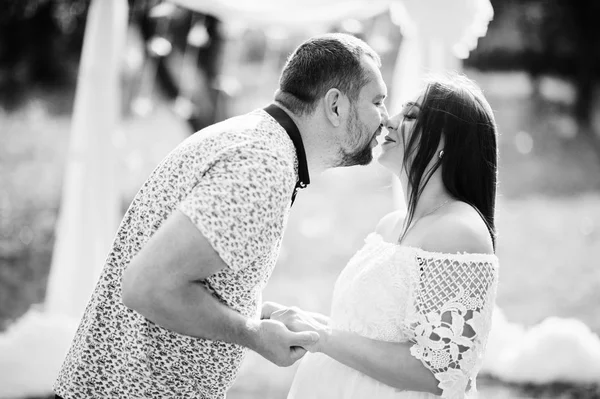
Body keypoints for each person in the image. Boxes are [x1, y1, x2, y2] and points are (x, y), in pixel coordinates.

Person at [53, 33, 388, 399]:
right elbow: (146, 286)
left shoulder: (253, 140)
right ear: (336, 106)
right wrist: (252, 335)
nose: (385, 118)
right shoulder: (263, 167)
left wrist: (250, 309)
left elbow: (182, 274)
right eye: (377, 101)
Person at [263, 73, 500, 398]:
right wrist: (304, 322)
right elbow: (363, 333)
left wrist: (321, 335)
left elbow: (439, 371)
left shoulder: (458, 231)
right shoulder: (389, 226)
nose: (388, 120)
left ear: (447, 142)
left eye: (412, 115)